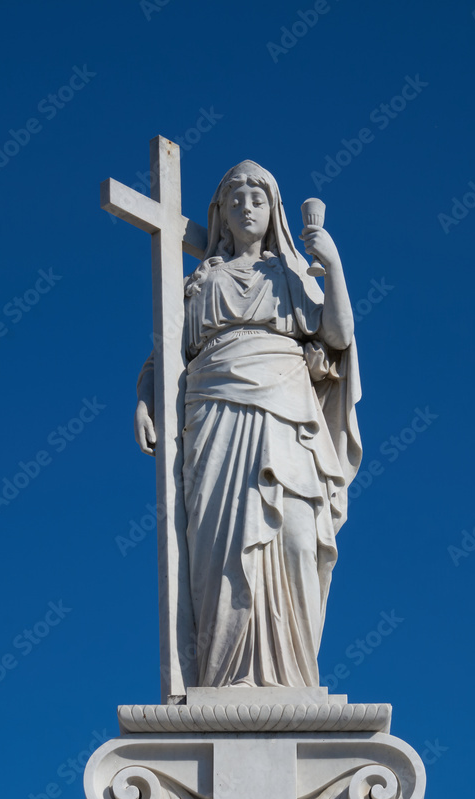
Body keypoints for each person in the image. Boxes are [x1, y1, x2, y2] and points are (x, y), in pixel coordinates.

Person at [134, 160, 361, 688]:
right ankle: (223, 680)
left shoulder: (290, 274)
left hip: (287, 411)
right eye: (235, 199)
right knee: (218, 548)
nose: (246, 207)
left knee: (299, 540)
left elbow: (338, 338)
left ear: (275, 211)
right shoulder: (201, 282)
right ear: (221, 215)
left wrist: (334, 267)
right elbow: (164, 356)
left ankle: (296, 677)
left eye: (257, 199)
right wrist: (145, 400)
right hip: (213, 416)